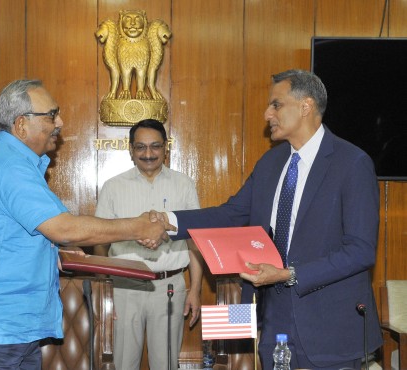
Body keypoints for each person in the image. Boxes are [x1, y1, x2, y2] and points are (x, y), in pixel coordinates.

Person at [0, 80, 172, 370]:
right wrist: (138, 227)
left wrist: (57, 255)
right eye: (51, 115)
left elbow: (14, 237)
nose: (60, 122)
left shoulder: (17, 164)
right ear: (21, 125)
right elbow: (63, 228)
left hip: (8, 325)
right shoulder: (8, 168)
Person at [151, 70, 382, 369]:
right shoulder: (271, 163)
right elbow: (231, 214)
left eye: (276, 105)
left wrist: (289, 273)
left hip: (330, 331)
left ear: (306, 106)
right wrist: (169, 221)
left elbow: (361, 250)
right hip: (274, 324)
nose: (266, 114)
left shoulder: (352, 163)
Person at [94, 119, 203, 370]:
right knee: (123, 363)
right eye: (140, 147)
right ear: (131, 150)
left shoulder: (183, 184)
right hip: (125, 287)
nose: (148, 154)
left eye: (155, 146)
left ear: (166, 148)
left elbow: (194, 240)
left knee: (166, 364)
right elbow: (99, 241)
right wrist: (106, 286)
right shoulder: (113, 187)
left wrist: (195, 289)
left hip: (170, 287)